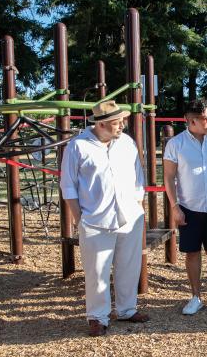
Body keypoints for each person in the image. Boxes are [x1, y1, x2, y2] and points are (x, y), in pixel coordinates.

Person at [60, 100, 149, 337]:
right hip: (95, 219)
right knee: (97, 271)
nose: (122, 126)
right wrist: (80, 218)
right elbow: (68, 186)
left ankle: (127, 309)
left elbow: (138, 177)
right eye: (116, 122)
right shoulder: (77, 146)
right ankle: (97, 317)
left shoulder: (127, 144)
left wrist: (138, 206)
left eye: (122, 121)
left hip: (130, 216)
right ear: (100, 124)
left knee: (129, 266)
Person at [163, 99, 207, 316]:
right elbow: (168, 176)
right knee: (192, 253)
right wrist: (175, 207)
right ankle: (195, 296)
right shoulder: (175, 144)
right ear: (192, 121)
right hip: (189, 207)